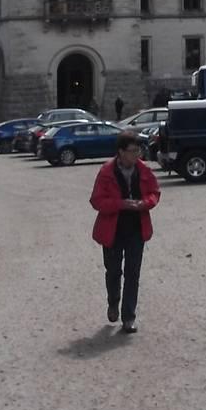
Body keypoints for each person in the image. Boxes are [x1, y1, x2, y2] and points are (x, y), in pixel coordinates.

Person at [90, 133, 161, 333]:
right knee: (113, 271)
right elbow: (97, 200)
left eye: (138, 151)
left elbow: (154, 193)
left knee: (133, 273)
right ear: (121, 152)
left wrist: (144, 203)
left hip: (136, 229)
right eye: (132, 151)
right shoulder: (106, 171)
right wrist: (120, 204)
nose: (136, 155)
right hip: (113, 229)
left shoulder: (144, 170)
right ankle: (113, 302)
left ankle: (128, 317)